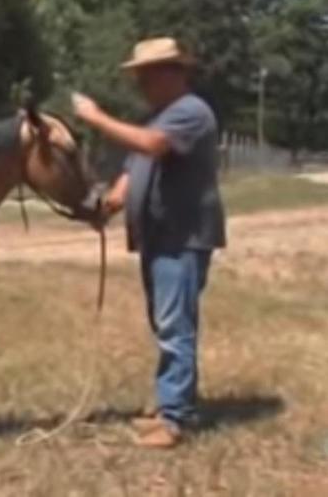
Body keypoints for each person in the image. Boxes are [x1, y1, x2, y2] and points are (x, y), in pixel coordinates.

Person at [72, 37, 226, 448]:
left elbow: (151, 147)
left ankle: (175, 419)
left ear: (174, 73)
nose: (140, 83)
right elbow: (134, 167)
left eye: (147, 75)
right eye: (139, 76)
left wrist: (96, 117)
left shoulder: (191, 113)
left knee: (175, 325)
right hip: (160, 236)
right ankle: (173, 405)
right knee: (166, 322)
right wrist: (110, 203)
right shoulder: (156, 117)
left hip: (183, 236)